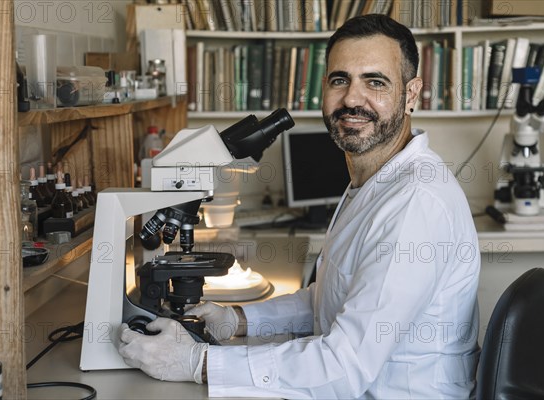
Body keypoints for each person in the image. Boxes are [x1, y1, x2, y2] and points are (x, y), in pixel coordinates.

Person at [119, 13, 481, 398]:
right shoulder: (374, 183)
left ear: (410, 94)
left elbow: (344, 368)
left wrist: (198, 363)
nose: (352, 99)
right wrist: (236, 320)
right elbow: (331, 299)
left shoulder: (415, 204)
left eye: (375, 82)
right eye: (340, 80)